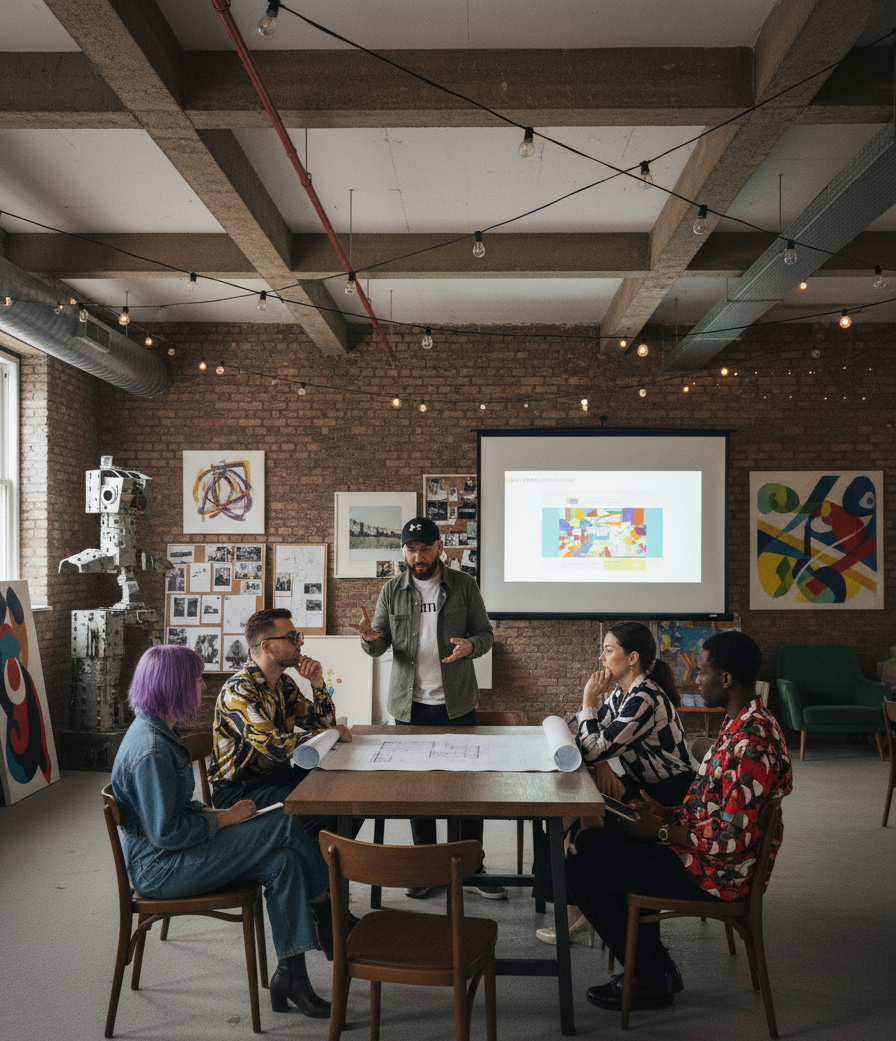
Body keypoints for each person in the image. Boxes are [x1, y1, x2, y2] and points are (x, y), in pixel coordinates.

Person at [564, 630, 793, 1013]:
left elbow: (730, 841)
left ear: (725, 679)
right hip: (701, 849)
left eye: (701, 673)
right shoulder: (739, 721)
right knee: (590, 844)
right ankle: (661, 969)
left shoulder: (752, 742)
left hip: (718, 873)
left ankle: (650, 979)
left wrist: (661, 831)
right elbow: (715, 804)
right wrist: (667, 813)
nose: (694, 680)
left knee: (580, 872)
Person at [110, 645, 332, 1018]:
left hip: (175, 854)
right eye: (196, 678)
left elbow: (177, 810)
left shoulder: (158, 731)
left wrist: (220, 812)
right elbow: (167, 833)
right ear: (174, 685)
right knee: (286, 821)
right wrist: (226, 819)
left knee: (283, 861)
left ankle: (291, 977)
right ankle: (327, 908)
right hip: (161, 867)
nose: (201, 685)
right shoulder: (151, 750)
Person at [352, 515, 503, 899]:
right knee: (416, 790)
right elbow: (380, 641)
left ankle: (471, 867)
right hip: (409, 704)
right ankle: (427, 866)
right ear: (403, 551)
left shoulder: (464, 586)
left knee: (465, 789)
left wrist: (472, 646)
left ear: (439, 548)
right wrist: (370, 640)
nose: (418, 556)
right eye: (411, 549)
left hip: (456, 704)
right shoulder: (392, 590)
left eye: (425, 548)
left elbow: (485, 634)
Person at [534, 621, 695, 944]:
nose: (602, 658)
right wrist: (603, 760)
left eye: (609, 651)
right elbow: (580, 734)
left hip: (668, 796)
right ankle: (574, 905)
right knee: (561, 818)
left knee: (573, 824)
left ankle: (575, 908)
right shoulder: (624, 693)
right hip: (643, 785)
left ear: (632, 657)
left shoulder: (644, 698)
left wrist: (588, 700)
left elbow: (591, 745)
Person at [208, 608, 355, 845]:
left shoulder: (283, 684)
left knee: (348, 797)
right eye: (292, 638)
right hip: (240, 792)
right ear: (267, 647)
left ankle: (325, 873)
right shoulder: (239, 691)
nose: (300, 643)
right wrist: (333, 732)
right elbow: (275, 746)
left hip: (277, 776)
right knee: (327, 810)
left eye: (298, 636)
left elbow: (323, 724)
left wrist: (317, 682)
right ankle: (320, 874)